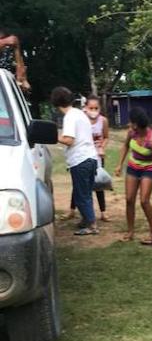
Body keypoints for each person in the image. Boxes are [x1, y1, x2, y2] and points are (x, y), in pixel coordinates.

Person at [51, 86, 99, 236]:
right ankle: (86, 220)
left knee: (81, 195)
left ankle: (92, 225)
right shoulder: (79, 113)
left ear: (55, 102)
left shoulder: (70, 117)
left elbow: (69, 140)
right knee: (86, 193)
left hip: (80, 160)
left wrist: (53, 137)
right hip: (91, 157)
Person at [115, 107, 152, 244]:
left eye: (130, 122)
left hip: (148, 169)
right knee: (129, 199)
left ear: (136, 124)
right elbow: (125, 146)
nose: (128, 124)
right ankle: (130, 232)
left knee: (144, 201)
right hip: (132, 167)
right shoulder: (132, 133)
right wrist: (119, 164)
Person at [63, 95, 110, 222]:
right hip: (83, 156)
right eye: (91, 108)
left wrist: (102, 147)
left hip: (97, 156)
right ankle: (72, 210)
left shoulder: (103, 121)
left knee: (98, 183)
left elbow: (106, 136)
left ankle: (103, 211)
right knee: (78, 184)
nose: (93, 110)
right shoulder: (82, 118)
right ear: (85, 107)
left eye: (96, 108)